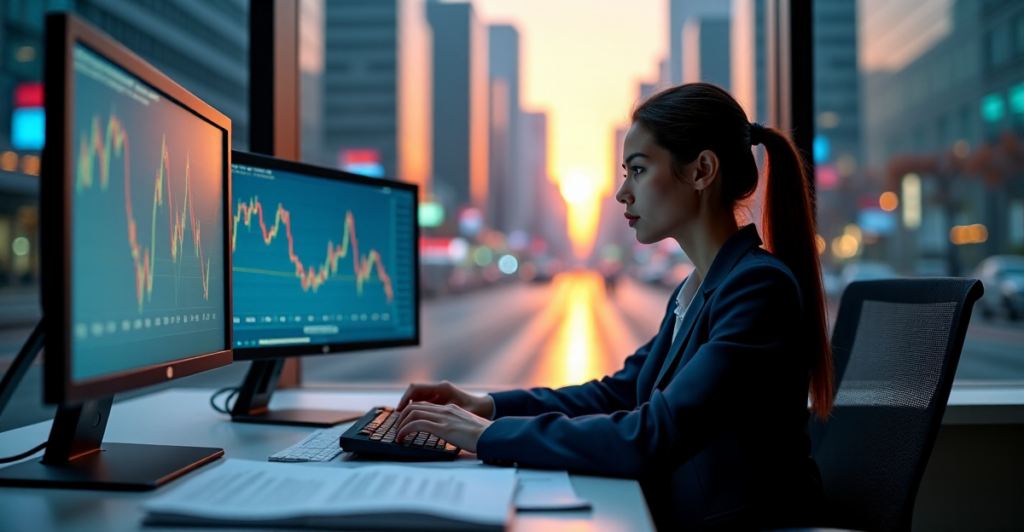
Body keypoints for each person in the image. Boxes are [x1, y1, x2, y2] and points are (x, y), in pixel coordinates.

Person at [394, 82, 833, 531]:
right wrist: (485, 405)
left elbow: (652, 435)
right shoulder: (701, 287)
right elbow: (620, 393)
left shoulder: (757, 287)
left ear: (702, 170)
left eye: (638, 171)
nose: (623, 193)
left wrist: (483, 436)